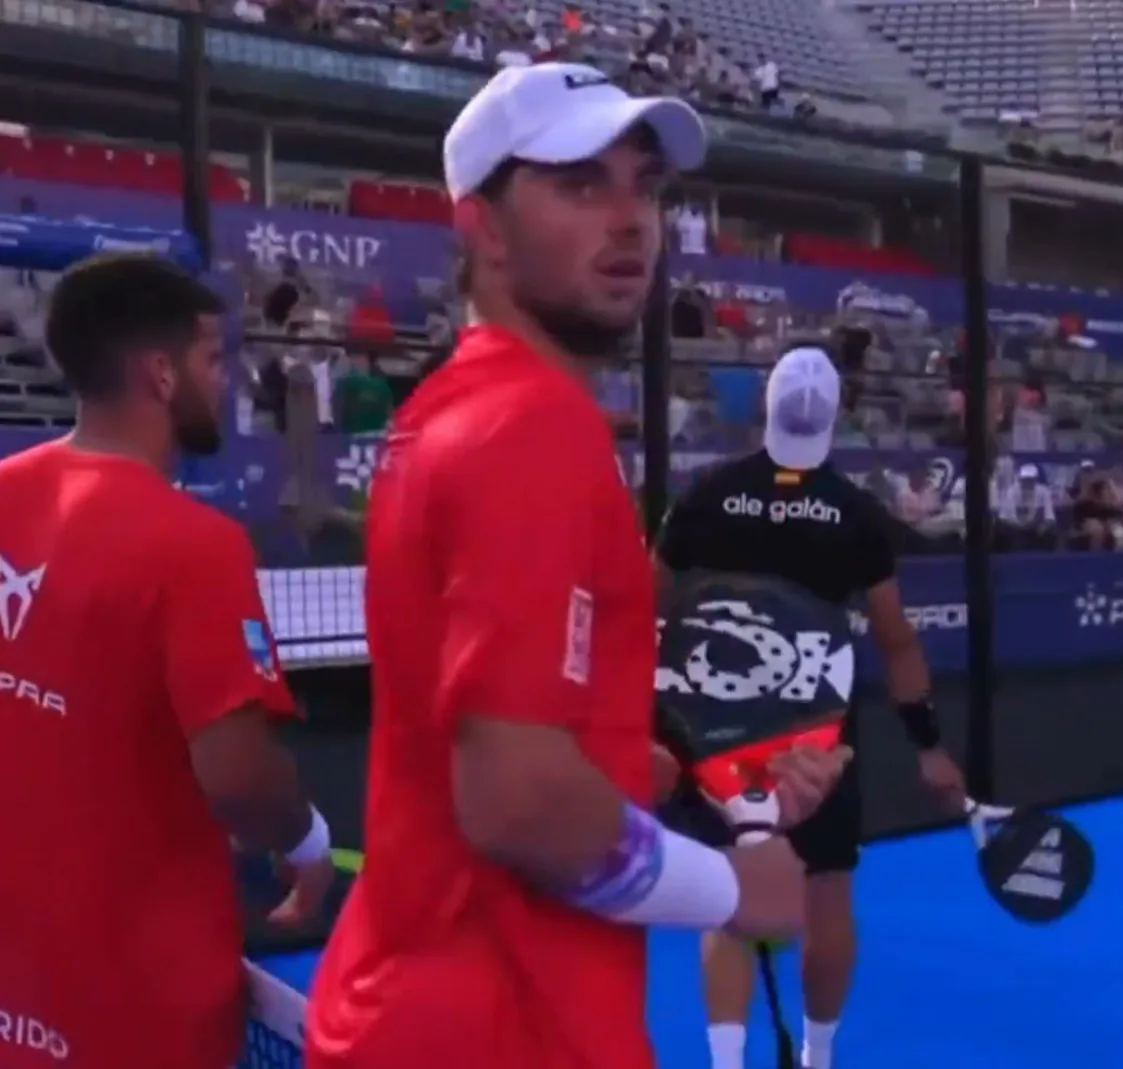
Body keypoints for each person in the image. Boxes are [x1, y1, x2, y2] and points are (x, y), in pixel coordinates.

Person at [303, 66, 847, 1069]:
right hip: (502, 1030)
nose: (633, 219)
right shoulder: (531, 427)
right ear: (483, 229)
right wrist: (738, 889)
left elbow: (508, 741)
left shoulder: (444, 414)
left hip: (417, 1008)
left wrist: (689, 784)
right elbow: (517, 800)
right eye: (581, 184)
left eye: (645, 185)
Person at [0, 254, 333, 1069]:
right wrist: (311, 845)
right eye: (212, 359)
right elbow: (239, 776)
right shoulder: (196, 546)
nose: (221, 382)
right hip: (136, 988)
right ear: (160, 372)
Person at [655, 345, 969, 1069]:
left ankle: (727, 1063)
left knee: (730, 896)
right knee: (827, 893)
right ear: (835, 419)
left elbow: (646, 607)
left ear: (767, 408)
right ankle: (818, 1057)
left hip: (713, 726)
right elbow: (896, 643)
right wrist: (927, 745)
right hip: (815, 735)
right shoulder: (855, 515)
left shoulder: (707, 494)